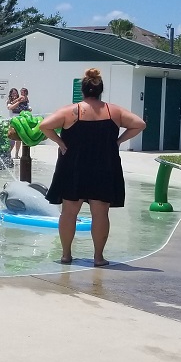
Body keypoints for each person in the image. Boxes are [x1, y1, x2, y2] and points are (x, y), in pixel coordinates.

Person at [38, 68, 145, 267]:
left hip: (74, 166)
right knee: (101, 213)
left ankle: (66, 255)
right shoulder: (114, 111)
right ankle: (98, 257)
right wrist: (119, 141)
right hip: (104, 166)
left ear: (84, 90)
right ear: (100, 90)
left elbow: (45, 125)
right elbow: (140, 124)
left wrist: (61, 143)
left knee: (69, 212)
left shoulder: (72, 111)